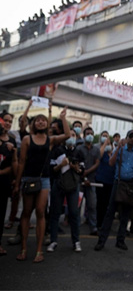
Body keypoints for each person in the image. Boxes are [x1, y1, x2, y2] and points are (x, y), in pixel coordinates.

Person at [13, 108, 70, 263]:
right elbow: (22, 162)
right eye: (38, 120)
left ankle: (39, 251)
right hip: (27, 178)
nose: (40, 121)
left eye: (43, 120)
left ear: (47, 124)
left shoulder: (50, 140)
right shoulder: (27, 140)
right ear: (33, 124)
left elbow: (67, 135)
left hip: (44, 179)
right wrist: (17, 184)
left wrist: (63, 118)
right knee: (26, 212)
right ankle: (24, 248)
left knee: (40, 211)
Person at [94, 130, 133, 251]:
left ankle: (120, 241)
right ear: (126, 138)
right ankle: (102, 241)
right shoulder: (120, 149)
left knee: (125, 214)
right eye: (130, 137)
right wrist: (119, 149)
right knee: (110, 212)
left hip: (130, 185)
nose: (132, 139)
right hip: (118, 183)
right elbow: (111, 162)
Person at [47, 130, 83, 253]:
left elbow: (82, 171)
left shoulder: (78, 151)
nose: (71, 138)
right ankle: (53, 240)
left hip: (73, 186)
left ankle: (76, 241)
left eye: (73, 135)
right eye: (69, 135)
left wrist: (75, 167)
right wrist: (61, 165)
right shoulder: (57, 150)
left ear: (76, 137)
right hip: (59, 185)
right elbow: (51, 170)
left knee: (74, 213)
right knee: (55, 212)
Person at [75, 127, 100, 236]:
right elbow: (76, 163)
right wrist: (83, 175)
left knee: (92, 205)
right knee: (77, 205)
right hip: (80, 182)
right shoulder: (79, 149)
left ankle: (93, 227)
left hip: (91, 182)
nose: (89, 135)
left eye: (91, 133)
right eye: (88, 133)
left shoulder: (96, 149)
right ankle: (75, 226)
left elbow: (97, 163)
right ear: (84, 136)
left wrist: (87, 172)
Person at [0, 116, 17, 256]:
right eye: (5, 120)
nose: (7, 123)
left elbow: (13, 166)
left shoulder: (12, 141)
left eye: (10, 121)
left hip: (3, 182)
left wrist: (14, 151)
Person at [94, 131, 115, 231]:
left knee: (107, 204)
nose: (106, 138)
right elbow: (99, 155)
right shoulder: (100, 149)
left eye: (107, 137)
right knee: (100, 204)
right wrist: (105, 144)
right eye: (104, 136)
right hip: (101, 181)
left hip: (110, 182)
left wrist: (113, 147)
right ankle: (98, 223)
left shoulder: (112, 152)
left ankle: (105, 224)